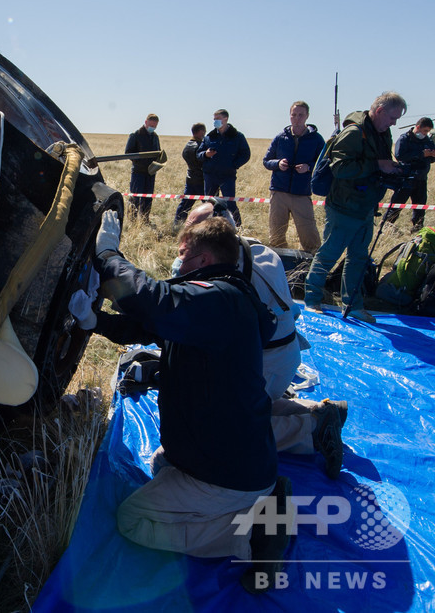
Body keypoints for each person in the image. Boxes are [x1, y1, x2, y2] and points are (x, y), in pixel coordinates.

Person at [82, 211, 290, 592]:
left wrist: (108, 255)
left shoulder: (220, 301)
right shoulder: (216, 305)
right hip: (231, 456)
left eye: (182, 254)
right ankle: (254, 501)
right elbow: (145, 325)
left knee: (133, 520)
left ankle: (250, 535)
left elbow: (153, 302)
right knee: (161, 463)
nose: (177, 263)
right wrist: (94, 322)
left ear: (204, 260)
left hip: (231, 473)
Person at [185, 202, 347, 480]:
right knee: (247, 400)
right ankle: (319, 412)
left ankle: (312, 431)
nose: (188, 237)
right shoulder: (258, 249)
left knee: (220, 428)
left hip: (266, 362)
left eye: (193, 231)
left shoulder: (226, 269)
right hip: (284, 354)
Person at [303, 92, 407, 323]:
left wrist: (392, 168)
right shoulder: (353, 133)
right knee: (329, 254)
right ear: (379, 111)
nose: (394, 123)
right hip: (343, 207)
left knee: (359, 258)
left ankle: (353, 305)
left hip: (365, 206)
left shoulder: (381, 133)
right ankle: (312, 300)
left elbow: (377, 163)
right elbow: (340, 169)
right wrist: (376, 165)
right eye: (392, 117)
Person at [263, 101, 325, 252]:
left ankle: (312, 267)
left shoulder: (316, 139)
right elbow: (266, 161)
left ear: (307, 116)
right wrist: (278, 164)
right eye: (294, 115)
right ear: (290, 116)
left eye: (300, 115)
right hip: (279, 193)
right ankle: (280, 267)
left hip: (301, 194)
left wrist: (308, 167)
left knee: (309, 235)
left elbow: (323, 164)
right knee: (276, 236)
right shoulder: (280, 137)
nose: (297, 118)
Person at [198, 109, 251, 226]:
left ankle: (237, 227)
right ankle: (210, 226)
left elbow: (246, 154)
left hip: (227, 176)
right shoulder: (210, 137)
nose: (215, 121)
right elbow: (199, 154)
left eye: (218, 118)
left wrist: (234, 165)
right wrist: (206, 154)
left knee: (230, 203)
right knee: (209, 203)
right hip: (210, 175)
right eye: (214, 119)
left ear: (225, 119)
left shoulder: (237, 136)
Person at [388, 117, 435, 231]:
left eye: (428, 132)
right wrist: (421, 154)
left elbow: (430, 159)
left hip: (421, 179)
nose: (426, 134)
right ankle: (388, 226)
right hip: (406, 179)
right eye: (425, 131)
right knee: (397, 205)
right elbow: (400, 155)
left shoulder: (427, 141)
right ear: (418, 127)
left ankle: (417, 227)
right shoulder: (405, 139)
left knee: (420, 206)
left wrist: (432, 155)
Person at [125, 114, 161, 220]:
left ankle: (145, 218)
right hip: (138, 172)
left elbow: (158, 152)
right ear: (146, 122)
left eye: (155, 126)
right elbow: (128, 152)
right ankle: (132, 219)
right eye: (151, 125)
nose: (153, 128)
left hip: (150, 173)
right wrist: (141, 161)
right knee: (135, 196)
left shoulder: (155, 137)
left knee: (148, 197)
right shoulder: (135, 135)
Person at [173, 123, 207, 229]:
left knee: (185, 204)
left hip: (190, 178)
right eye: (204, 132)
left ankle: (177, 225)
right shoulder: (200, 146)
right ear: (201, 131)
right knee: (209, 205)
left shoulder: (187, 145)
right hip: (202, 180)